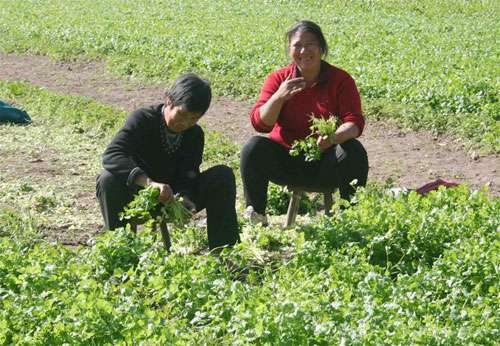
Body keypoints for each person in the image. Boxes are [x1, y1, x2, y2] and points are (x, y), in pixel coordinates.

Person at [240, 20, 369, 224]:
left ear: (321, 48)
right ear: (290, 49)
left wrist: (334, 137)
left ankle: (351, 218)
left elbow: (354, 123)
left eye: (310, 45)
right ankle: (256, 217)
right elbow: (260, 123)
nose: (304, 50)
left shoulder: (340, 80)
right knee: (253, 147)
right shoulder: (278, 79)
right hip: (287, 162)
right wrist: (279, 97)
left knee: (353, 150)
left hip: (327, 163)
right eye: (297, 45)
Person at [96, 73, 240, 250]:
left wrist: (185, 197)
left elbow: (189, 172)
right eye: (182, 114)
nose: (185, 123)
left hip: (172, 199)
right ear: (168, 101)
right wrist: (149, 183)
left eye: (193, 119)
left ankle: (223, 252)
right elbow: (112, 154)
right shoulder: (143, 119)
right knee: (107, 179)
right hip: (138, 196)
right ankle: (121, 251)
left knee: (222, 175)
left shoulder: (194, 134)